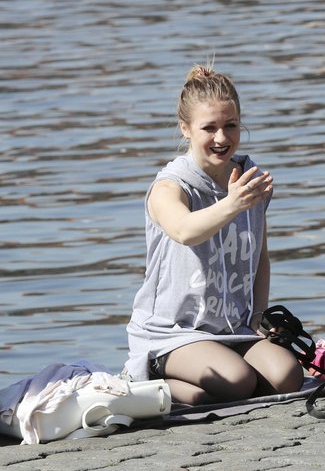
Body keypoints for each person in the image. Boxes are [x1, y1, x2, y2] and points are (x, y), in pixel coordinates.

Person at [125, 65, 304, 405]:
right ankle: (148, 378)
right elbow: (185, 231)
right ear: (186, 129)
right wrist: (232, 204)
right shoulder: (169, 187)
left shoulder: (249, 181)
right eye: (209, 128)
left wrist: (258, 315)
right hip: (172, 334)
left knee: (287, 376)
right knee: (236, 381)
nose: (222, 138)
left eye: (230, 125)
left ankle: (195, 393)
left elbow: (260, 258)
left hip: (232, 329)